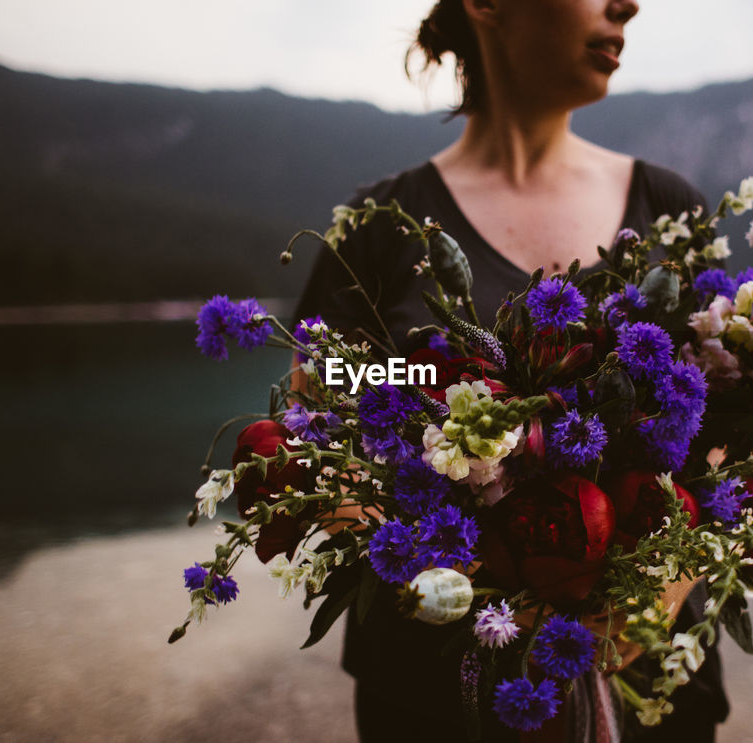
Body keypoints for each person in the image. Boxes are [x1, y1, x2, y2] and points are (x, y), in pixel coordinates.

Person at [293, 1, 729, 740]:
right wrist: (440, 584)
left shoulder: (670, 214)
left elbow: (733, 441)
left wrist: (656, 592)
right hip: (435, 698)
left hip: (647, 688)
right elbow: (312, 431)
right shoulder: (383, 227)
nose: (628, 3)